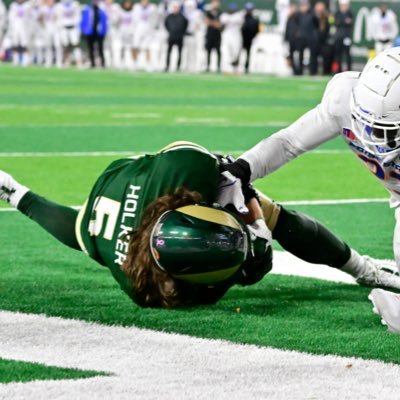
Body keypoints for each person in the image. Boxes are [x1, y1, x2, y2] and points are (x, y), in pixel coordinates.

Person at [2, 141, 400, 309]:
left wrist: (232, 185)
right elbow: (76, 232)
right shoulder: (151, 290)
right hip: (119, 214)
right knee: (261, 227)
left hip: (131, 175)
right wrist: (257, 229)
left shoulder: (185, 169)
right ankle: (364, 270)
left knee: (262, 204)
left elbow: (78, 230)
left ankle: (362, 269)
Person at [216, 48, 400, 288]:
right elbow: (290, 142)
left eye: (381, 129)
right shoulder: (344, 98)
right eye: (364, 121)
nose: (369, 135)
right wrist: (242, 169)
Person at [80, 0, 108, 68]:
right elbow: (83, 20)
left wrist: (104, 31)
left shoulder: (101, 11)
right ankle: (92, 63)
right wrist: (83, 29)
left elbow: (104, 22)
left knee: (100, 48)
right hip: (90, 32)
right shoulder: (88, 10)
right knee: (90, 48)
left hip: (99, 32)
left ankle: (102, 63)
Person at [164, 0, 188, 72]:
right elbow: (166, 24)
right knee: (169, 52)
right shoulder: (169, 16)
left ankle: (178, 66)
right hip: (171, 36)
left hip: (179, 37)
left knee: (180, 52)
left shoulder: (182, 17)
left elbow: (185, 25)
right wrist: (170, 31)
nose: (176, 9)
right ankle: (167, 66)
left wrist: (181, 33)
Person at [57, 0, 82, 66]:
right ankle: (66, 60)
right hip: (64, 27)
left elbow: (78, 15)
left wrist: (76, 24)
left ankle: (78, 61)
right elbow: (59, 16)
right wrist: (60, 25)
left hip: (73, 27)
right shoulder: (60, 5)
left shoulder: (75, 4)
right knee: (65, 45)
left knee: (75, 44)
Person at [220, 3, 243, 73]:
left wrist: (229, 19)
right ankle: (226, 68)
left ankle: (234, 68)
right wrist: (230, 19)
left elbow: (238, 20)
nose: (232, 11)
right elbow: (223, 20)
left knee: (235, 53)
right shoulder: (224, 15)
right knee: (225, 52)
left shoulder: (239, 15)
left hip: (236, 36)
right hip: (227, 35)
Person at [333, 0, 353, 73]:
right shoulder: (337, 13)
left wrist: (342, 22)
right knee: (338, 54)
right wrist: (344, 22)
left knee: (347, 54)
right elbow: (336, 23)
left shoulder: (349, 13)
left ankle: (349, 70)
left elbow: (349, 23)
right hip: (339, 37)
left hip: (347, 37)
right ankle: (339, 71)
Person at [204, 0, 222, 73]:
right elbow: (206, 22)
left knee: (218, 51)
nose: (215, 5)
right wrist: (215, 23)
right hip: (209, 34)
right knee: (208, 51)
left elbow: (219, 25)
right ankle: (207, 66)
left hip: (217, 35)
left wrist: (212, 22)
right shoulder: (208, 13)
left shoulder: (221, 13)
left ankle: (218, 67)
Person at [241, 2, 259, 74]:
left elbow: (256, 30)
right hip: (241, 38)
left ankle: (246, 67)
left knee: (248, 54)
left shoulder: (254, 20)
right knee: (240, 53)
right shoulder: (241, 18)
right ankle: (237, 66)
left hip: (249, 39)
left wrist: (252, 36)